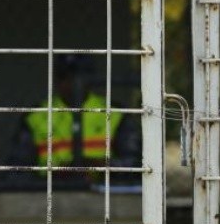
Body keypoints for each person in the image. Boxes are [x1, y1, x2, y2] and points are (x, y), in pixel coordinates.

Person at [19, 54, 140, 186]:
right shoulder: (36, 116)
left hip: (105, 193)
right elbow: (17, 170)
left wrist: (98, 166)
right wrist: (55, 173)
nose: (72, 83)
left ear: (91, 79)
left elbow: (134, 164)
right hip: (50, 192)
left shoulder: (115, 113)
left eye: (79, 77)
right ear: (56, 80)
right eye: (64, 77)